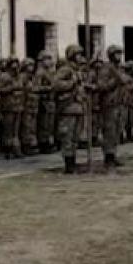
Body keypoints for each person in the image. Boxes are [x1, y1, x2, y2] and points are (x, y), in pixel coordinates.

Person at [54, 45, 87, 174]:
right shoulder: (66, 70)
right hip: (68, 107)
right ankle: (68, 164)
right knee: (67, 137)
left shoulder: (77, 70)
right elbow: (56, 84)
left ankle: (73, 161)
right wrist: (72, 83)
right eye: (78, 55)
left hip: (78, 107)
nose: (80, 57)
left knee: (75, 138)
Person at [98, 45, 126, 168]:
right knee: (109, 131)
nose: (119, 56)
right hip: (109, 104)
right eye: (117, 54)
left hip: (119, 103)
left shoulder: (118, 69)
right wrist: (114, 82)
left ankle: (113, 154)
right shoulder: (106, 69)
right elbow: (102, 86)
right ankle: (108, 157)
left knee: (117, 131)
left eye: (120, 54)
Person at [0, 57, 25, 159]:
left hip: (18, 105)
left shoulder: (19, 77)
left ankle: (16, 148)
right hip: (8, 106)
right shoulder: (4, 76)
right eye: (13, 63)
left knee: (16, 130)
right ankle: (7, 149)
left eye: (16, 63)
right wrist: (11, 88)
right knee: (8, 129)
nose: (15, 66)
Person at [34, 50, 57, 154]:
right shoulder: (40, 72)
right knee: (44, 124)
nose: (48, 61)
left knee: (50, 124)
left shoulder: (51, 72)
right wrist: (49, 88)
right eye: (46, 59)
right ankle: (43, 143)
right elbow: (36, 87)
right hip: (44, 100)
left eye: (49, 59)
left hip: (51, 100)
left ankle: (48, 141)